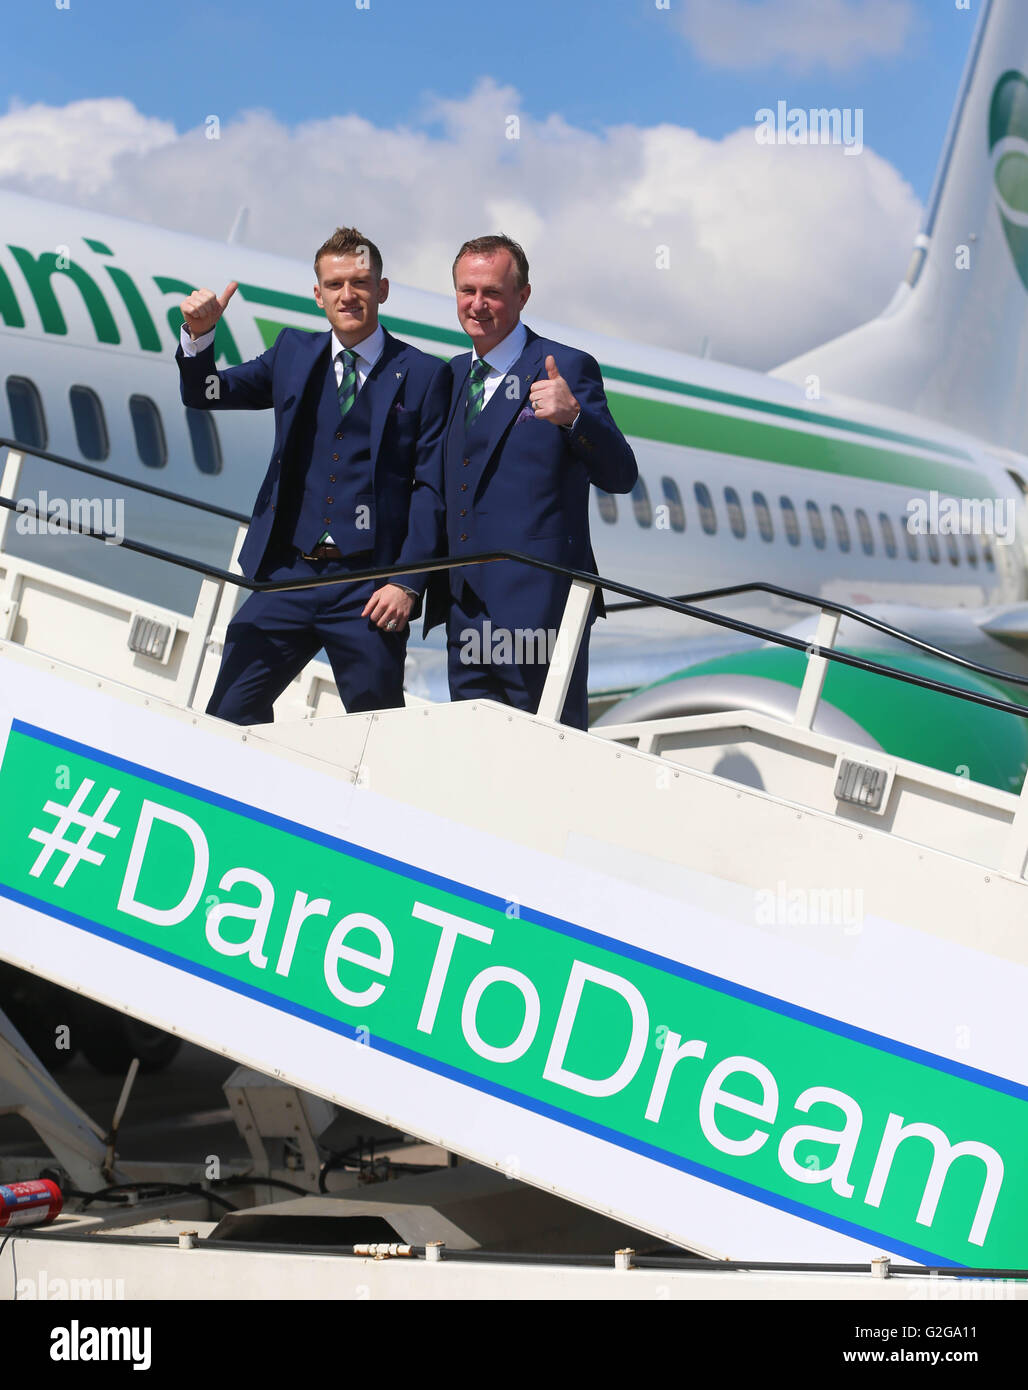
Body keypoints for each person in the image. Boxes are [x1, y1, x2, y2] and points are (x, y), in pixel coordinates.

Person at [177, 227, 449, 724]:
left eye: (361, 282)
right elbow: (206, 393)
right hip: (288, 575)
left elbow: (432, 490)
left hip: (367, 588)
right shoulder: (292, 353)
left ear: (382, 291)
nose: (349, 295)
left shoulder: (426, 374)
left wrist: (406, 584)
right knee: (226, 715)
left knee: (378, 736)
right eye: (336, 283)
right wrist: (200, 337)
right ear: (318, 294)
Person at [423, 234, 637, 730]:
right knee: (473, 755)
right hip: (465, 611)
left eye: (493, 292)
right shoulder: (450, 378)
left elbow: (621, 475)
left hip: (539, 613)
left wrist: (574, 417)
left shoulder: (566, 367)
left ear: (523, 296)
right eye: (466, 291)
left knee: (547, 761)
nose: (478, 305)